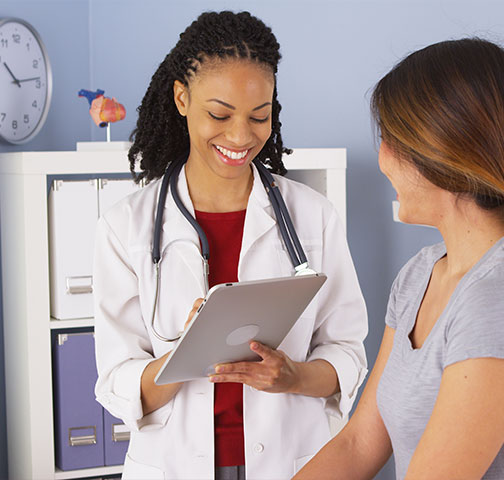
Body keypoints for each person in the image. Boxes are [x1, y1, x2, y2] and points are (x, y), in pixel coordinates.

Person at [295, 38, 504, 480]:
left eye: (390, 142)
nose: (382, 160)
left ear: (439, 154)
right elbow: (359, 444)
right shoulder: (420, 274)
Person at [93, 11, 367, 480]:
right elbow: (117, 381)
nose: (241, 137)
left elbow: (346, 351)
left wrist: (294, 376)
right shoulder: (126, 226)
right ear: (182, 98)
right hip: (174, 464)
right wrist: (186, 355)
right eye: (219, 114)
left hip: (291, 460)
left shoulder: (313, 216)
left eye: (259, 116)